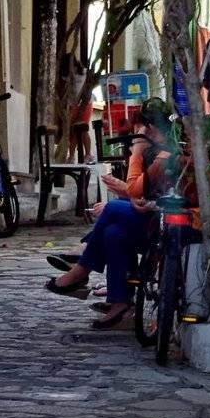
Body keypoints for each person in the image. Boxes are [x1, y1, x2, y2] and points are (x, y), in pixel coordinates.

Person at [44, 98, 176, 330]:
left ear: (149, 128)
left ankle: (81, 268)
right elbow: (139, 194)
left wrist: (136, 154)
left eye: (140, 128)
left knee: (113, 208)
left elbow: (135, 189)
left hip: (163, 226)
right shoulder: (156, 151)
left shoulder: (165, 154)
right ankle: (120, 303)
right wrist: (130, 193)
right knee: (113, 233)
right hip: (150, 218)